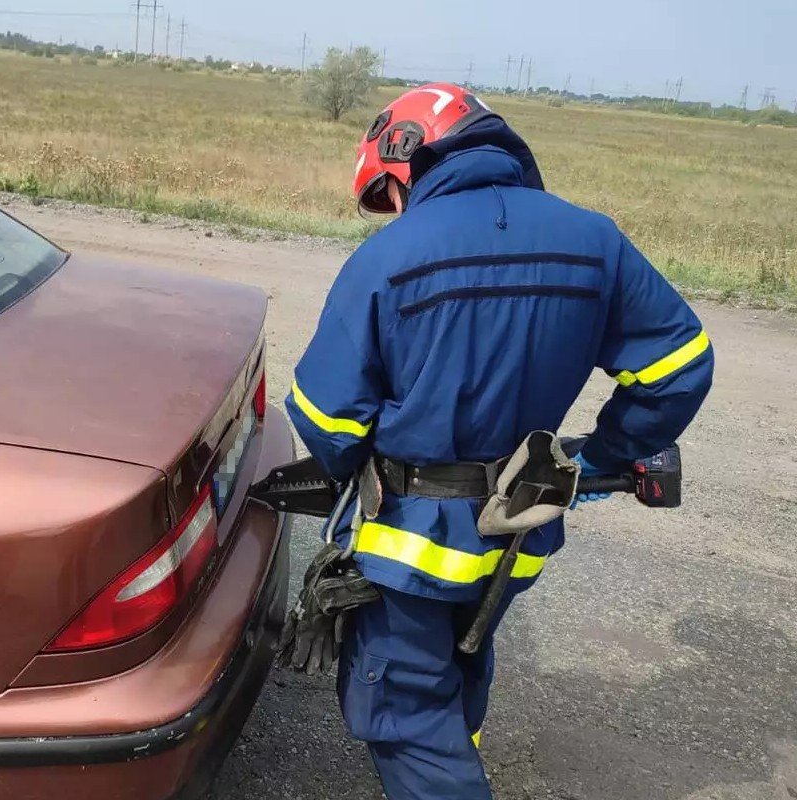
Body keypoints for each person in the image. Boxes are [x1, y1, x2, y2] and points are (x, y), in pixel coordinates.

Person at [285, 83, 714, 799]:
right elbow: (679, 368)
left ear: (406, 159)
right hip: (519, 530)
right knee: (466, 650)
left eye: (386, 193)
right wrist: (599, 459)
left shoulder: (390, 258)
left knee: (404, 714)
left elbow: (327, 420)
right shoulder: (595, 240)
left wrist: (349, 470)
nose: (390, 210)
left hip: (408, 545)